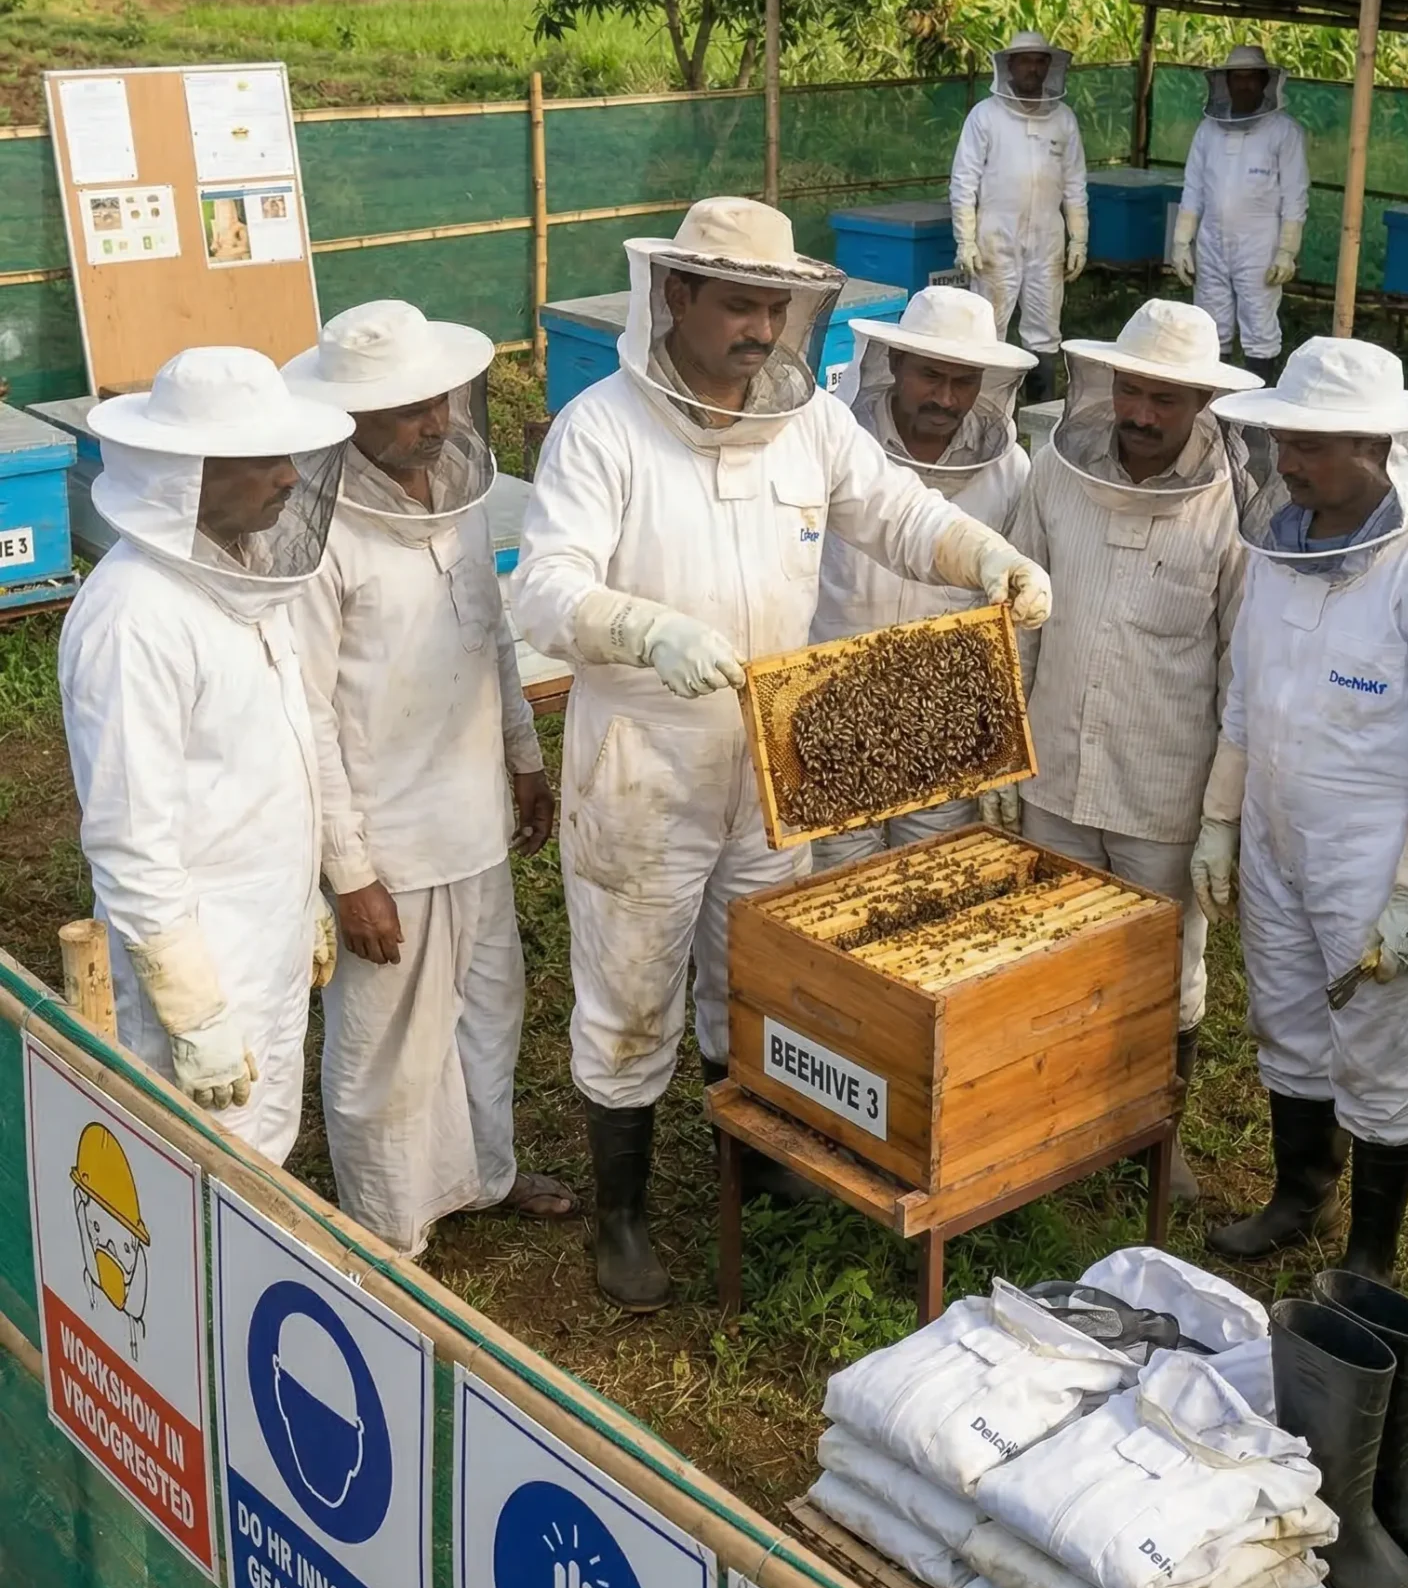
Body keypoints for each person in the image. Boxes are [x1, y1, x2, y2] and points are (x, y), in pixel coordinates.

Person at [512, 197, 1052, 1310]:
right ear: (675, 297)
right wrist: (643, 629)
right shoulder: (603, 427)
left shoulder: (808, 425)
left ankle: (749, 1160)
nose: (759, 328)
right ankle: (619, 1213)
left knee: (755, 967)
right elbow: (545, 586)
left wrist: (983, 552)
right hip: (644, 765)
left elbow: (896, 512)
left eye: (775, 306)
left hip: (776, 761)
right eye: (738, 304)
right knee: (629, 988)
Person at [285, 301, 574, 1259]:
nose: (435, 421)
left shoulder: (452, 501)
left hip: (473, 816)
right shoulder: (318, 540)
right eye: (408, 409)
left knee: (489, 1003)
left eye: (440, 399)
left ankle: (482, 1174)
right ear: (351, 419)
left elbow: (489, 637)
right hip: (388, 838)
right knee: (384, 1046)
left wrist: (524, 764)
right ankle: (388, 1225)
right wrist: (349, 870)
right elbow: (311, 718)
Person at [57, 346, 354, 1166]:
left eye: (287, 454)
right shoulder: (134, 618)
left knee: (264, 1151)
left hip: (267, 931)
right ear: (184, 473)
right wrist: (192, 1009)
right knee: (198, 1173)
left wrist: (302, 901)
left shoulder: (246, 578)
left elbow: (262, 768)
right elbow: (129, 839)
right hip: (204, 958)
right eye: (261, 460)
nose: (290, 478)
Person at [1009, 301, 1257, 1199]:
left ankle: (1156, 1131)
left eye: (1165, 398)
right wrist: (1007, 748)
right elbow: (1021, 616)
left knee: (1163, 962)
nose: (1143, 414)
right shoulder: (1054, 474)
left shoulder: (1233, 508)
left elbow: (1240, 671)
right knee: (1049, 946)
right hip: (1053, 772)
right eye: (1132, 390)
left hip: (1163, 782)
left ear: (1199, 403)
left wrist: (1220, 815)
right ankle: (1051, 1116)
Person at [1193, 338, 1408, 1279]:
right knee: (1285, 1018)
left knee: (1378, 1047)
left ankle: (1369, 1253)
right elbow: (1245, 700)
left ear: (1379, 450)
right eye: (1281, 441)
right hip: (1275, 834)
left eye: (1310, 447)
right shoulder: (1278, 546)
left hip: (1373, 855)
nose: (1284, 462)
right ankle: (1299, 1195)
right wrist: (1220, 819)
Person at [810, 284, 1035, 867]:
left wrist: (998, 744)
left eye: (964, 382)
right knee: (842, 887)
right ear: (895, 365)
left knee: (930, 882)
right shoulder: (836, 447)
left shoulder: (1009, 469)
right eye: (930, 375)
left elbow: (1008, 618)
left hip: (945, 717)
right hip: (833, 706)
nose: (945, 397)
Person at [948, 27, 1089, 404]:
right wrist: (965, 238)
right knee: (988, 327)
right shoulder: (985, 116)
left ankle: (1039, 412)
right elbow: (964, 180)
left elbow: (1075, 184)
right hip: (996, 237)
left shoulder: (1064, 119)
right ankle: (988, 409)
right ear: (1009, 66)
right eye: (1025, 61)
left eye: (1039, 61)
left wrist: (1079, 239)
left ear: (1049, 66)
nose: (1033, 68)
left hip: (1048, 240)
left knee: (1045, 328)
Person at [1172, 43, 1310, 382]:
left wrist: (1286, 251)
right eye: (1238, 79)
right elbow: (1193, 189)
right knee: (1209, 326)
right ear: (1226, 83)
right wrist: (1180, 243)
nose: (1244, 86)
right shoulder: (1207, 130)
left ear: (1265, 82)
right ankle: (1213, 407)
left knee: (1259, 328)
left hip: (1260, 246)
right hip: (1211, 243)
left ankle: (1256, 414)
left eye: (1251, 79)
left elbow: (1296, 195)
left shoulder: (1284, 132)